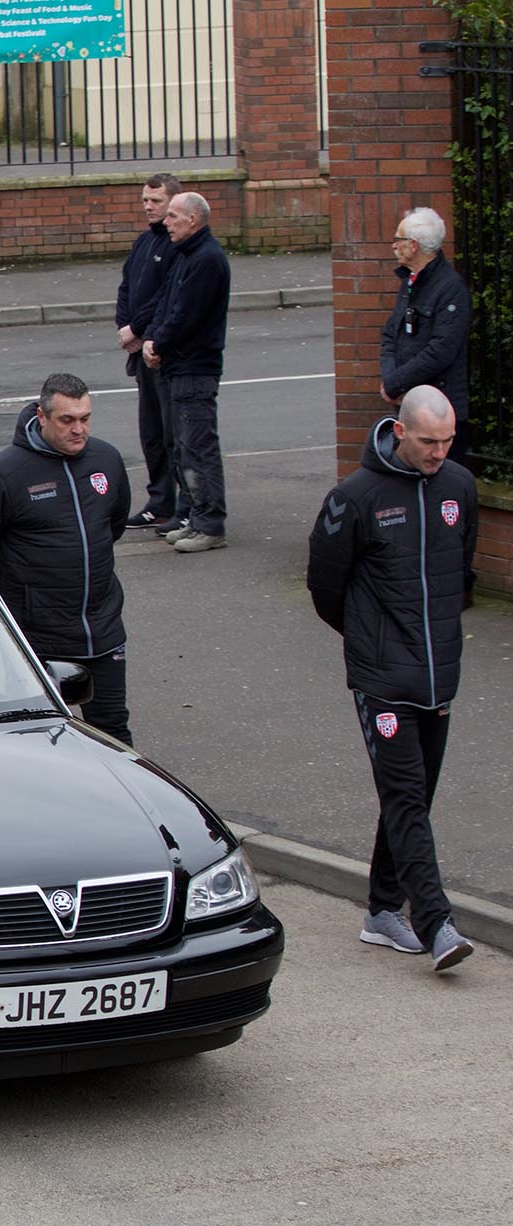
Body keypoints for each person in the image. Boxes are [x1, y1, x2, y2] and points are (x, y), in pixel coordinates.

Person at [306, 387, 477, 973]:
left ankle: (381, 910)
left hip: (438, 675)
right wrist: (367, 639)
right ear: (400, 432)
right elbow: (326, 586)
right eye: (429, 441)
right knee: (405, 797)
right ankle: (436, 923)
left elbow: (462, 571)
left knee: (413, 799)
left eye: (447, 440)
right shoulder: (355, 498)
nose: (439, 452)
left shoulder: (459, 487)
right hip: (381, 679)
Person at [0, 373, 132, 744]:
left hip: (102, 631)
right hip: (39, 640)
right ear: (42, 415)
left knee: (113, 733)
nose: (78, 429)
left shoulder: (108, 459)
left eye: (85, 418)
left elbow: (113, 526)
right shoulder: (4, 474)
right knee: (40, 738)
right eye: (66, 420)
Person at [142, 191, 230, 554]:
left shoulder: (207, 260)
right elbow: (166, 303)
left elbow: (186, 315)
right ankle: (195, 517)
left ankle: (210, 523)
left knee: (198, 446)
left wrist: (158, 343)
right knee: (182, 447)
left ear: (193, 220)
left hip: (195, 367)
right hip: (178, 366)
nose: (166, 221)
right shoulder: (185, 255)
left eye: (174, 216)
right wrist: (151, 338)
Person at [379, 207, 471, 467]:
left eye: (398, 239)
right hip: (410, 408)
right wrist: (391, 381)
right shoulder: (411, 282)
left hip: (438, 416)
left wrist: (395, 383)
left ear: (414, 245)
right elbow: (390, 334)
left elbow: (441, 350)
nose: (394, 245)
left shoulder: (450, 289)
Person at [115, 173, 182, 529]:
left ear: (173, 202)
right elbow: (127, 286)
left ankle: (178, 504)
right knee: (151, 432)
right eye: (145, 200)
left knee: (172, 433)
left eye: (155, 201)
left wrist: (137, 330)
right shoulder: (144, 243)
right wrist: (123, 326)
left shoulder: (175, 247)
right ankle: (160, 500)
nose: (148, 206)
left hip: (160, 351)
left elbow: (165, 298)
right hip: (139, 350)